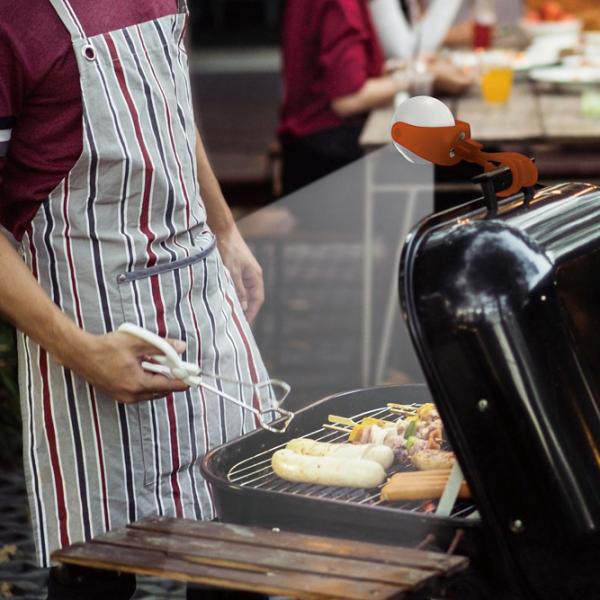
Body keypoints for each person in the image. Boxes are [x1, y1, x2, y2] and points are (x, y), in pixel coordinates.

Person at [0, 1, 270, 598]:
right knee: (99, 568)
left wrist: (225, 229)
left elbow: (166, 97)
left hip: (201, 287)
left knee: (241, 553)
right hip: (87, 319)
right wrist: (81, 350)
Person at [278, 0, 474, 195]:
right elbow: (348, 100)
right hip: (328, 158)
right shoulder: (341, 5)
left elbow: (342, 74)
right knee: (465, 167)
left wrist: (414, 67)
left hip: (304, 151)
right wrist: (422, 74)